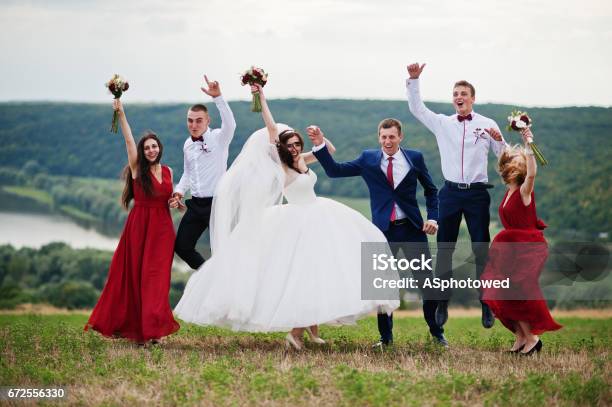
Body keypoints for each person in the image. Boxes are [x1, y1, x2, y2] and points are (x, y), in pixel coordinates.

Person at [174, 82, 399, 350]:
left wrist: (318, 139)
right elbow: (271, 130)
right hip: (298, 222)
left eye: (296, 143)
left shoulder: (302, 160)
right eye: (289, 144)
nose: (293, 147)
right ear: (281, 147)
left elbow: (330, 150)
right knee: (301, 274)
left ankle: (313, 329)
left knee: (318, 271)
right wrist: (261, 97)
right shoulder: (280, 166)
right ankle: (295, 332)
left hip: (319, 215)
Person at [310, 118, 446, 347]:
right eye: (383, 137)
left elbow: (431, 191)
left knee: (427, 285)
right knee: (383, 287)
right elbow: (335, 171)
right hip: (383, 232)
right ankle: (386, 338)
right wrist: (320, 144)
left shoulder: (415, 158)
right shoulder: (368, 159)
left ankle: (437, 333)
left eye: (392, 137)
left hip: (413, 230)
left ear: (400, 137)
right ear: (379, 138)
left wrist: (433, 217)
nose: (387, 141)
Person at [405, 62, 507, 332]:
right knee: (445, 250)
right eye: (455, 94)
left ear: (472, 98)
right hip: (449, 193)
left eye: (463, 93)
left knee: (480, 248)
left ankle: (486, 302)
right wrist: (414, 80)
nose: (459, 97)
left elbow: (505, 159)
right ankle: (442, 302)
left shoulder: (487, 124)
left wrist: (502, 141)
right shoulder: (443, 123)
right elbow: (417, 109)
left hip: (477, 194)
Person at [85, 99, 180, 345]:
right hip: (140, 228)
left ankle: (154, 329)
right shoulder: (138, 169)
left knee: (158, 280)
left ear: (160, 148)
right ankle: (144, 332)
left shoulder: (168, 171)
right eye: (146, 147)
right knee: (139, 278)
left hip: (163, 230)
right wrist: (122, 113)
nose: (151, 150)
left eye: (154, 146)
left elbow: (170, 197)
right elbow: (128, 141)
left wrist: (176, 202)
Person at [481, 128, 562, 355]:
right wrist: (500, 141)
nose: (518, 164)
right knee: (500, 290)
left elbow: (533, 174)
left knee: (517, 291)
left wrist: (528, 145)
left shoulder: (525, 190)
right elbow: (504, 157)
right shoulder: (508, 190)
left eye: (521, 161)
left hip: (527, 248)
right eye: (514, 161)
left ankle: (533, 339)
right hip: (510, 249)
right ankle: (520, 338)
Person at [171, 76, 237, 269]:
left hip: (218, 204)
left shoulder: (219, 138)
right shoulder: (187, 145)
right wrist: (179, 192)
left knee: (222, 250)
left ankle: (226, 285)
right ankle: (208, 278)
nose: (193, 125)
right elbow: (187, 172)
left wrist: (218, 98)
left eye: (198, 121)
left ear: (208, 121)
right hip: (196, 205)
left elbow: (231, 125)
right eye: (190, 121)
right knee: (182, 247)